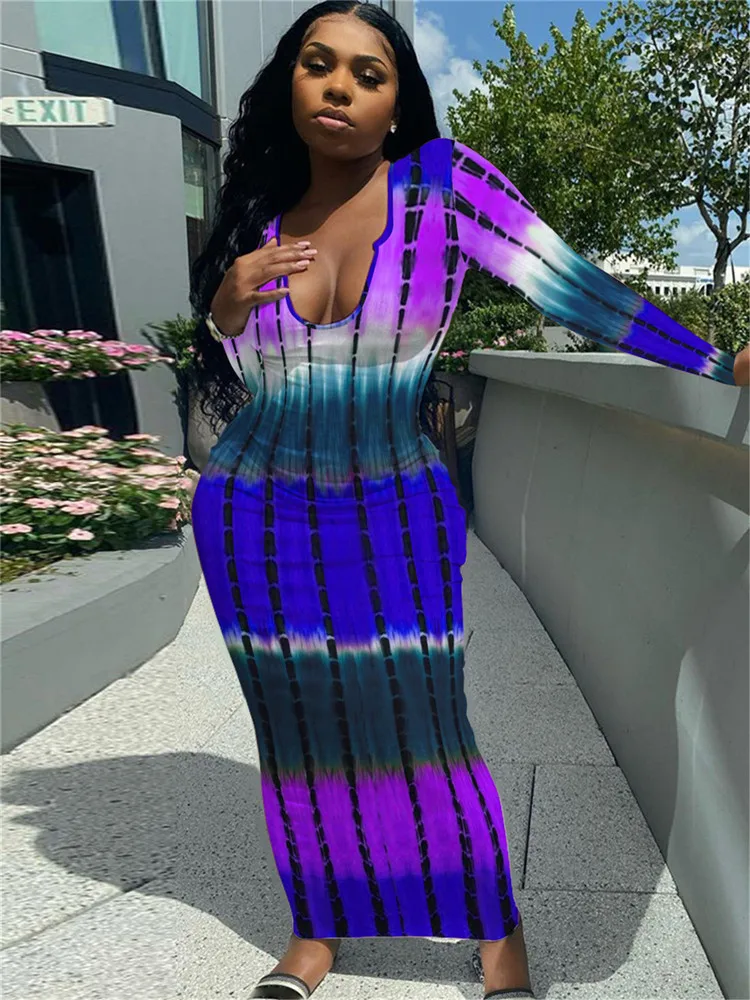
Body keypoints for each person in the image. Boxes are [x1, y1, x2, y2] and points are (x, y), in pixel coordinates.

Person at [188, 3, 749, 998]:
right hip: (253, 518)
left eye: (368, 73)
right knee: (298, 727)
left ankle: (498, 939)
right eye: (318, 64)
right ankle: (318, 928)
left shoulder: (442, 187)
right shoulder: (263, 228)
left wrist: (714, 361)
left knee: (426, 725)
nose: (339, 86)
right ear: (290, 83)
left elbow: (572, 287)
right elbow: (247, 366)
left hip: (395, 514)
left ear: (398, 100)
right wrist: (227, 304)